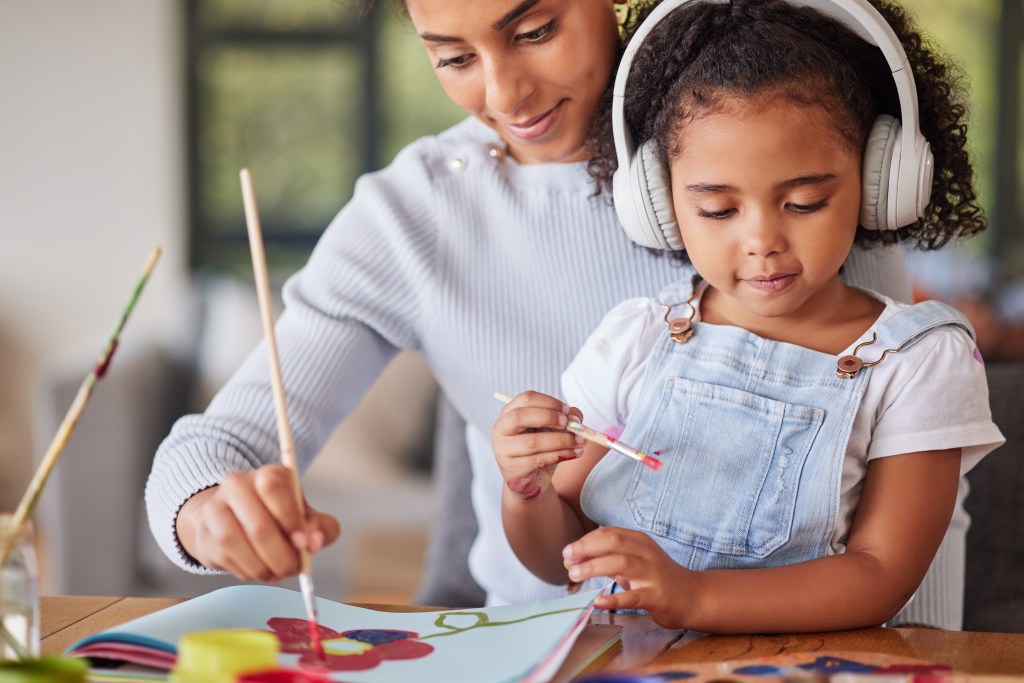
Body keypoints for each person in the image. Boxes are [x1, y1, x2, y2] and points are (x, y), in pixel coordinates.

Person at [145, 0, 938, 621]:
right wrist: (208, 512)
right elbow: (219, 444)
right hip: (548, 639)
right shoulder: (409, 217)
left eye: (534, 29)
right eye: (453, 57)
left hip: (813, 638)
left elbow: (906, 482)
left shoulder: (779, 138)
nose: (504, 93)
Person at [492, 0, 1004, 632]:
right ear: (658, 202)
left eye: (805, 201)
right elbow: (560, 559)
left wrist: (696, 596)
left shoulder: (917, 361)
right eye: (717, 210)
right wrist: (527, 491)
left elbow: (880, 575)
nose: (762, 240)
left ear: (879, 180)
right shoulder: (637, 339)